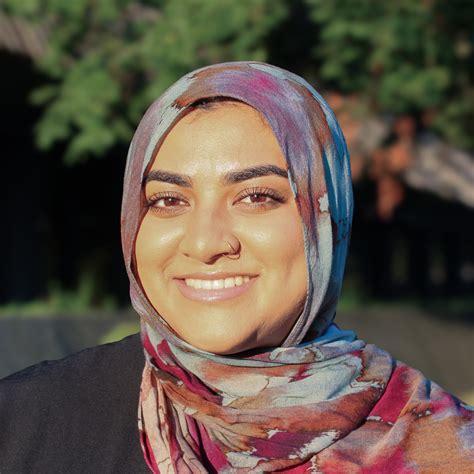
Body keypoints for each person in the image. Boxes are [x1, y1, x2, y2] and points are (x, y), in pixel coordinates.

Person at [0, 61, 473, 473]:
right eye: (168, 200)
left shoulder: (447, 447)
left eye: (256, 197)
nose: (205, 242)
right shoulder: (24, 427)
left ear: (327, 219)